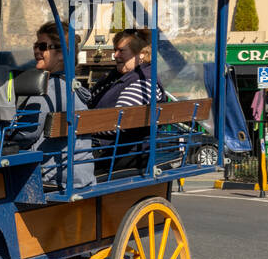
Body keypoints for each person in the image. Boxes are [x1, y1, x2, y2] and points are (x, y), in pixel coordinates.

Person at [12, 21, 93, 189]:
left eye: (42, 47)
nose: (36, 51)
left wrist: (2, 134)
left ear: (62, 54)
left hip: (54, 175)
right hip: (80, 171)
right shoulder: (74, 87)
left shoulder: (45, 89)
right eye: (35, 46)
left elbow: (26, 134)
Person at [86, 29, 167, 172]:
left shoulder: (144, 81)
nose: (115, 55)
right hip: (105, 149)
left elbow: (119, 121)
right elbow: (89, 98)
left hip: (118, 153)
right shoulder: (115, 76)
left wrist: (83, 128)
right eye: (114, 50)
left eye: (121, 51)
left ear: (141, 54)